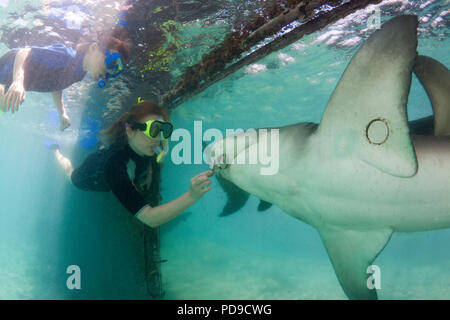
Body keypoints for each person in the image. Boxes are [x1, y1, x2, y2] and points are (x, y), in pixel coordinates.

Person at [51, 101, 213, 228]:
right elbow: (150, 218)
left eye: (164, 130)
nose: (159, 138)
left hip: (110, 156)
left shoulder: (147, 145)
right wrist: (192, 195)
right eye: (154, 130)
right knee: (69, 173)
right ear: (130, 131)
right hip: (88, 176)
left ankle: (97, 144)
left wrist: (148, 173)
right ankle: (55, 150)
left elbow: (153, 156)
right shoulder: (115, 166)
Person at [0, 32, 130, 130]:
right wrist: (18, 81)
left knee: (4, 106)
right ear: (93, 48)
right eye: (112, 61)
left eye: (115, 69)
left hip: (9, 82)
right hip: (5, 69)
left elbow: (56, 84)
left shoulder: (79, 74)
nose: (109, 69)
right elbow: (24, 52)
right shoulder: (66, 56)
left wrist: (62, 113)